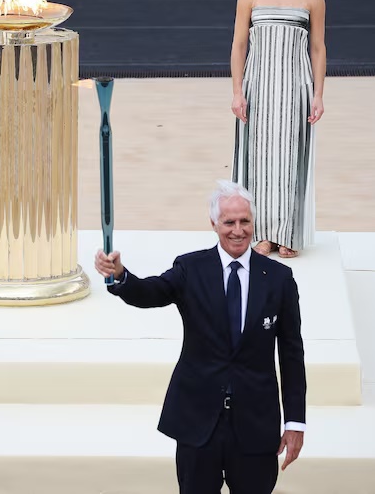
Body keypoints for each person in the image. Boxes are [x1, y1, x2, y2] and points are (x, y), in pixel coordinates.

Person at [94, 181, 306, 494]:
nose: (238, 230)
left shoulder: (278, 278)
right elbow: (151, 292)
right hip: (198, 424)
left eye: (245, 221)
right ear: (214, 224)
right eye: (229, 222)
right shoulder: (190, 268)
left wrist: (295, 423)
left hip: (255, 426)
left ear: (253, 223)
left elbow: (291, 353)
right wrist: (121, 275)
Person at [230, 0, 327, 258]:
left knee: (289, 160)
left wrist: (317, 94)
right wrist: (237, 91)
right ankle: (262, 233)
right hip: (258, 86)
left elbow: (317, 48)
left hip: (294, 88)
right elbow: (239, 44)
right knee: (257, 160)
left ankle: (287, 233)